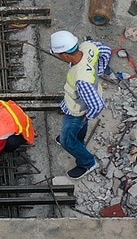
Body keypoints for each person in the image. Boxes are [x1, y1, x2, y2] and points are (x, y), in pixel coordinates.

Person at [51, 29, 122, 178]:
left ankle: (88, 163)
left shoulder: (82, 79)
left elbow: (97, 105)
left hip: (77, 110)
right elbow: (106, 50)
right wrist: (99, 70)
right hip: (83, 98)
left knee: (66, 141)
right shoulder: (88, 46)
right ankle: (78, 140)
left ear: (64, 55)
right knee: (77, 132)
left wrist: (86, 117)